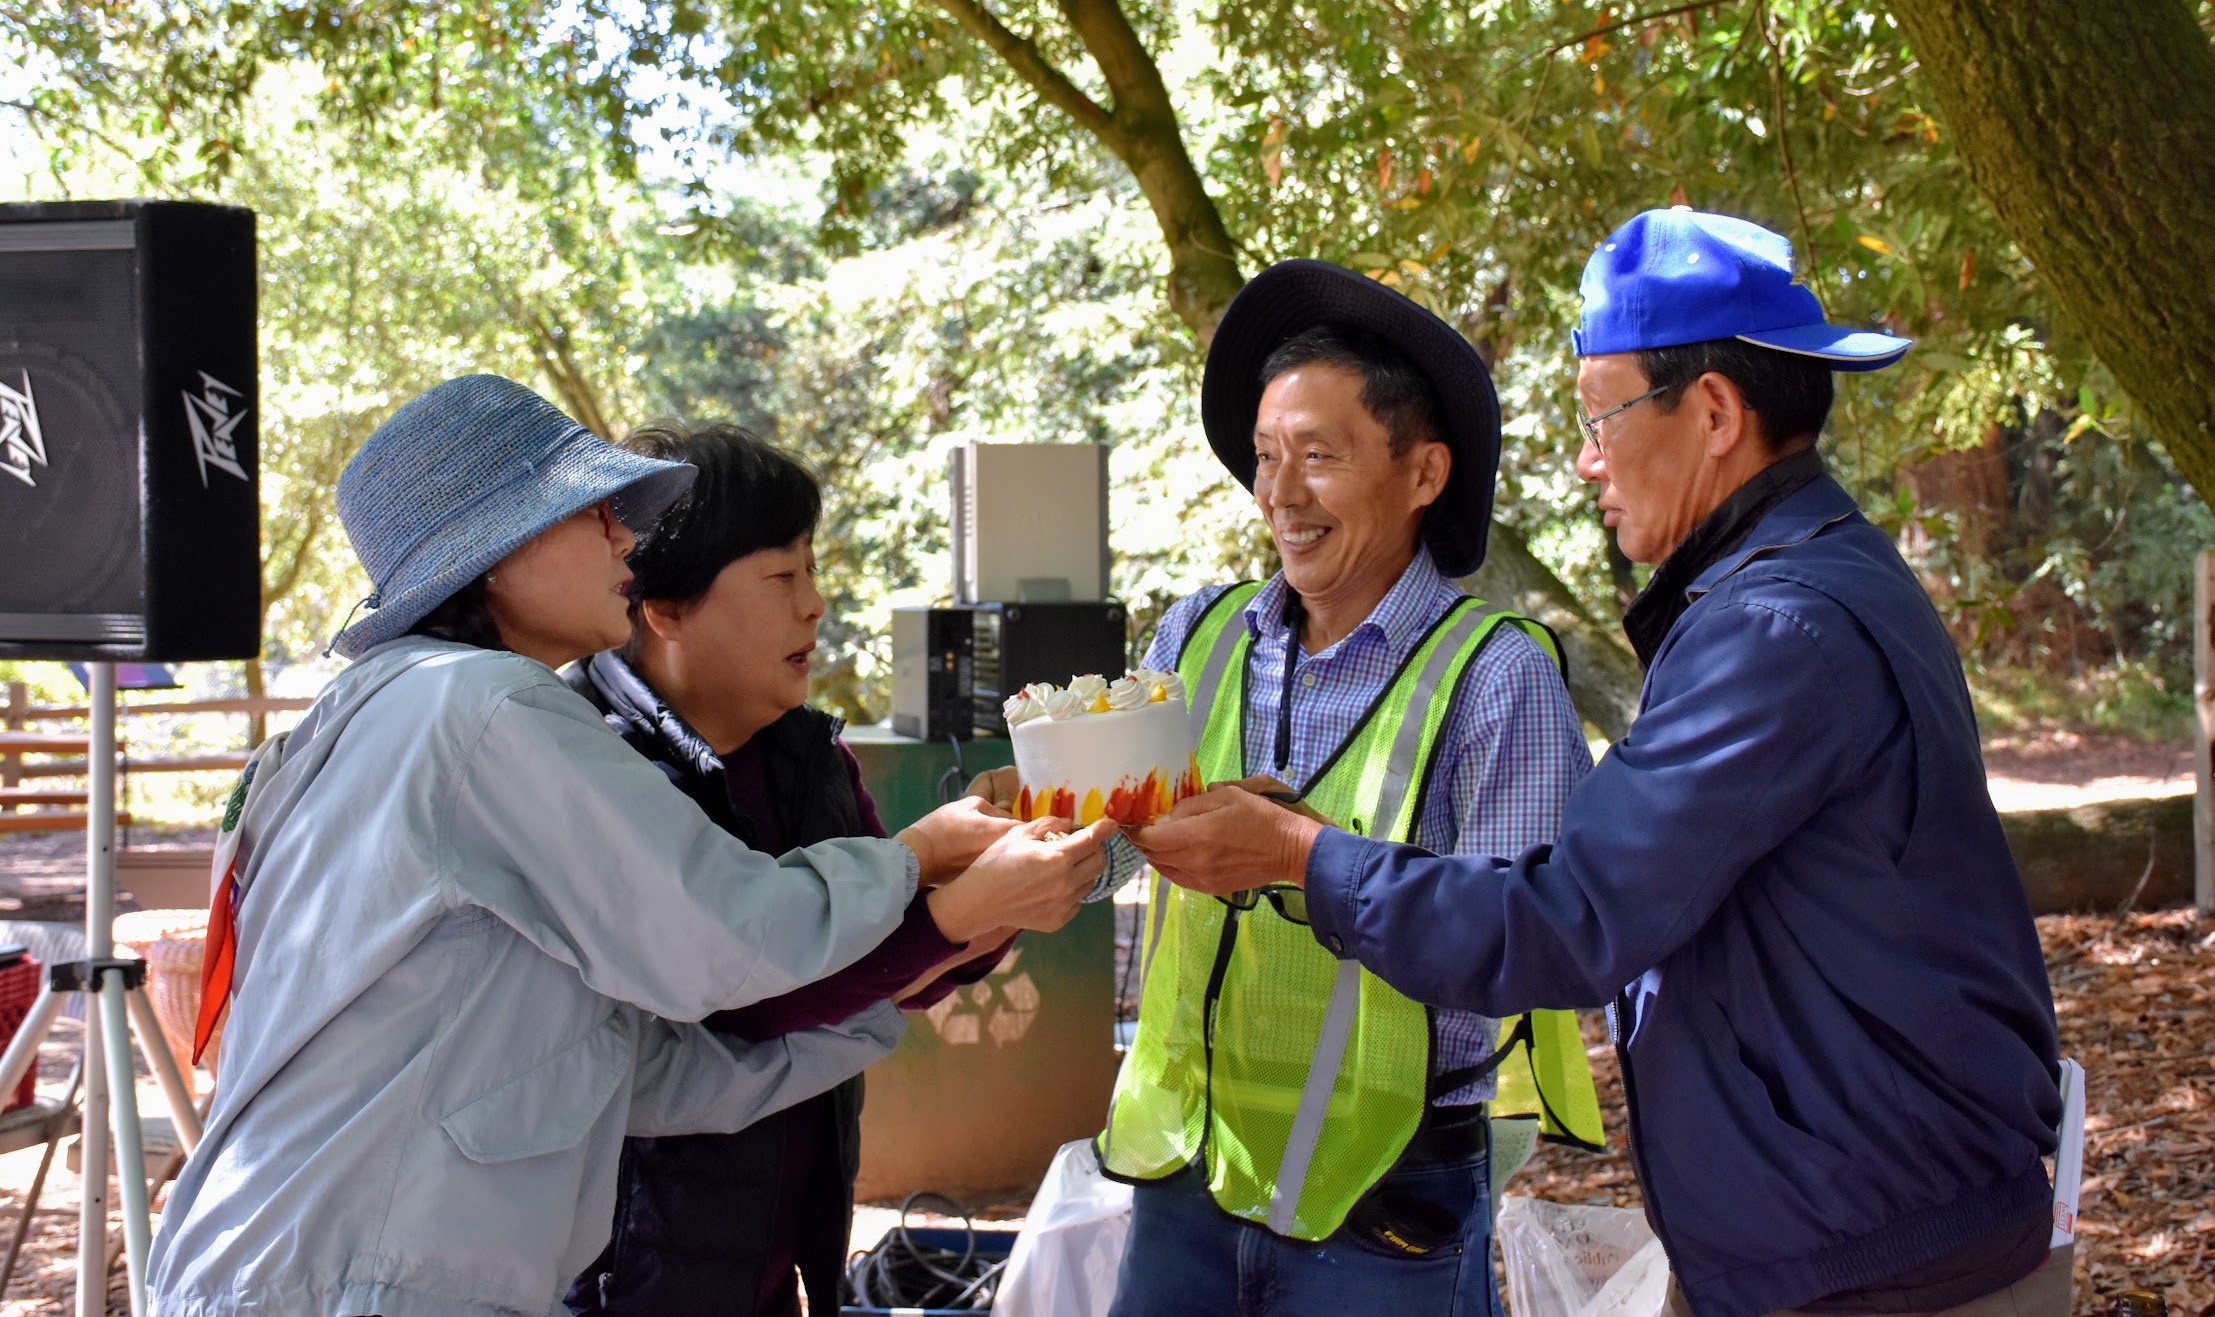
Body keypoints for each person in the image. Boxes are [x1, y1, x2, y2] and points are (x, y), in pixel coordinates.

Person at [1135, 210, 2066, 1317]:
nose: (1586, 459)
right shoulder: (1791, 590)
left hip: (1872, 1254)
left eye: (1599, 416)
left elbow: (1568, 918)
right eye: (1267, 456)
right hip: (1826, 1231)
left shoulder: (1776, 628)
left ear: (1713, 412)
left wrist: (1295, 851)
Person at [149, 375, 1111, 1317]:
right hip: (353, 1280)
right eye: (590, 513)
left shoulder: (378, 712)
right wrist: (921, 865)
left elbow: (633, 1067)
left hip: (305, 1261)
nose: (626, 537)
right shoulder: (480, 706)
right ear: (494, 553)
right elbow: (727, 938)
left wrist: (920, 951)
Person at [1098, 262, 1602, 1317]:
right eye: (1266, 456)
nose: (1279, 492)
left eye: (1319, 456)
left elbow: (1522, 951)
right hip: (1188, 1173)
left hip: (1387, 1198)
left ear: (1423, 473)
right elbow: (1113, 846)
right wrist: (1052, 803)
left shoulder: (1497, 673)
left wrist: (1303, 855)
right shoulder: (1200, 633)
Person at [562, 425, 1022, 1317]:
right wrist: (959, 906)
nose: (813, 606)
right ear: (664, 608)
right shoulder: (596, 768)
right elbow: (746, 995)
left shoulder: (806, 754)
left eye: (812, 571)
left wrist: (1013, 880)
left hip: (786, 1244)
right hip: (636, 1261)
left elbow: (888, 961)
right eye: (780, 578)